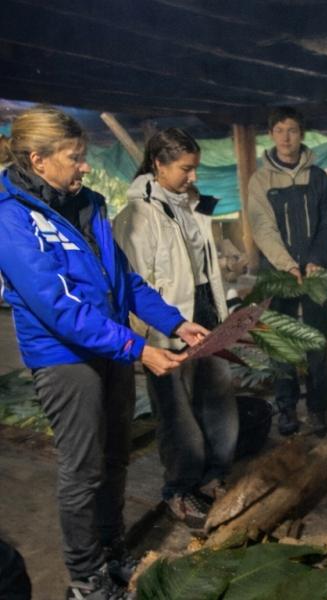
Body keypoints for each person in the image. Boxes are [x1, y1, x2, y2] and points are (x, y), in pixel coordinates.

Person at [0, 106, 207, 600]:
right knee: (83, 468)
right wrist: (137, 349)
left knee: (116, 457)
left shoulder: (88, 204)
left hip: (110, 349)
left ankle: (112, 550)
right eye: (75, 158)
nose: (85, 167)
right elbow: (58, 307)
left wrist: (174, 321)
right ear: (39, 159)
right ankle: (85, 576)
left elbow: (124, 281)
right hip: (65, 360)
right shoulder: (12, 219)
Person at [114, 128, 238, 530]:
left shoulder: (192, 206)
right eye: (185, 169)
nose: (193, 177)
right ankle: (179, 490)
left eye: (195, 168)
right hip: (166, 325)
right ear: (158, 164)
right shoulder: (136, 216)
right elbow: (133, 282)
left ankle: (214, 474)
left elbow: (206, 266)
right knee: (176, 412)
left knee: (217, 396)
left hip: (205, 315)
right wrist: (146, 340)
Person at [247, 106, 327, 437]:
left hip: (314, 272)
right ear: (271, 135)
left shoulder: (319, 179)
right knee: (280, 342)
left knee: (317, 339)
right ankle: (286, 408)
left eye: (293, 130)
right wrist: (286, 264)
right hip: (277, 272)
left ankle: (318, 409)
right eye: (280, 130)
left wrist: (315, 258)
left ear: (302, 134)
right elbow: (262, 227)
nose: (287, 137)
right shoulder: (260, 181)